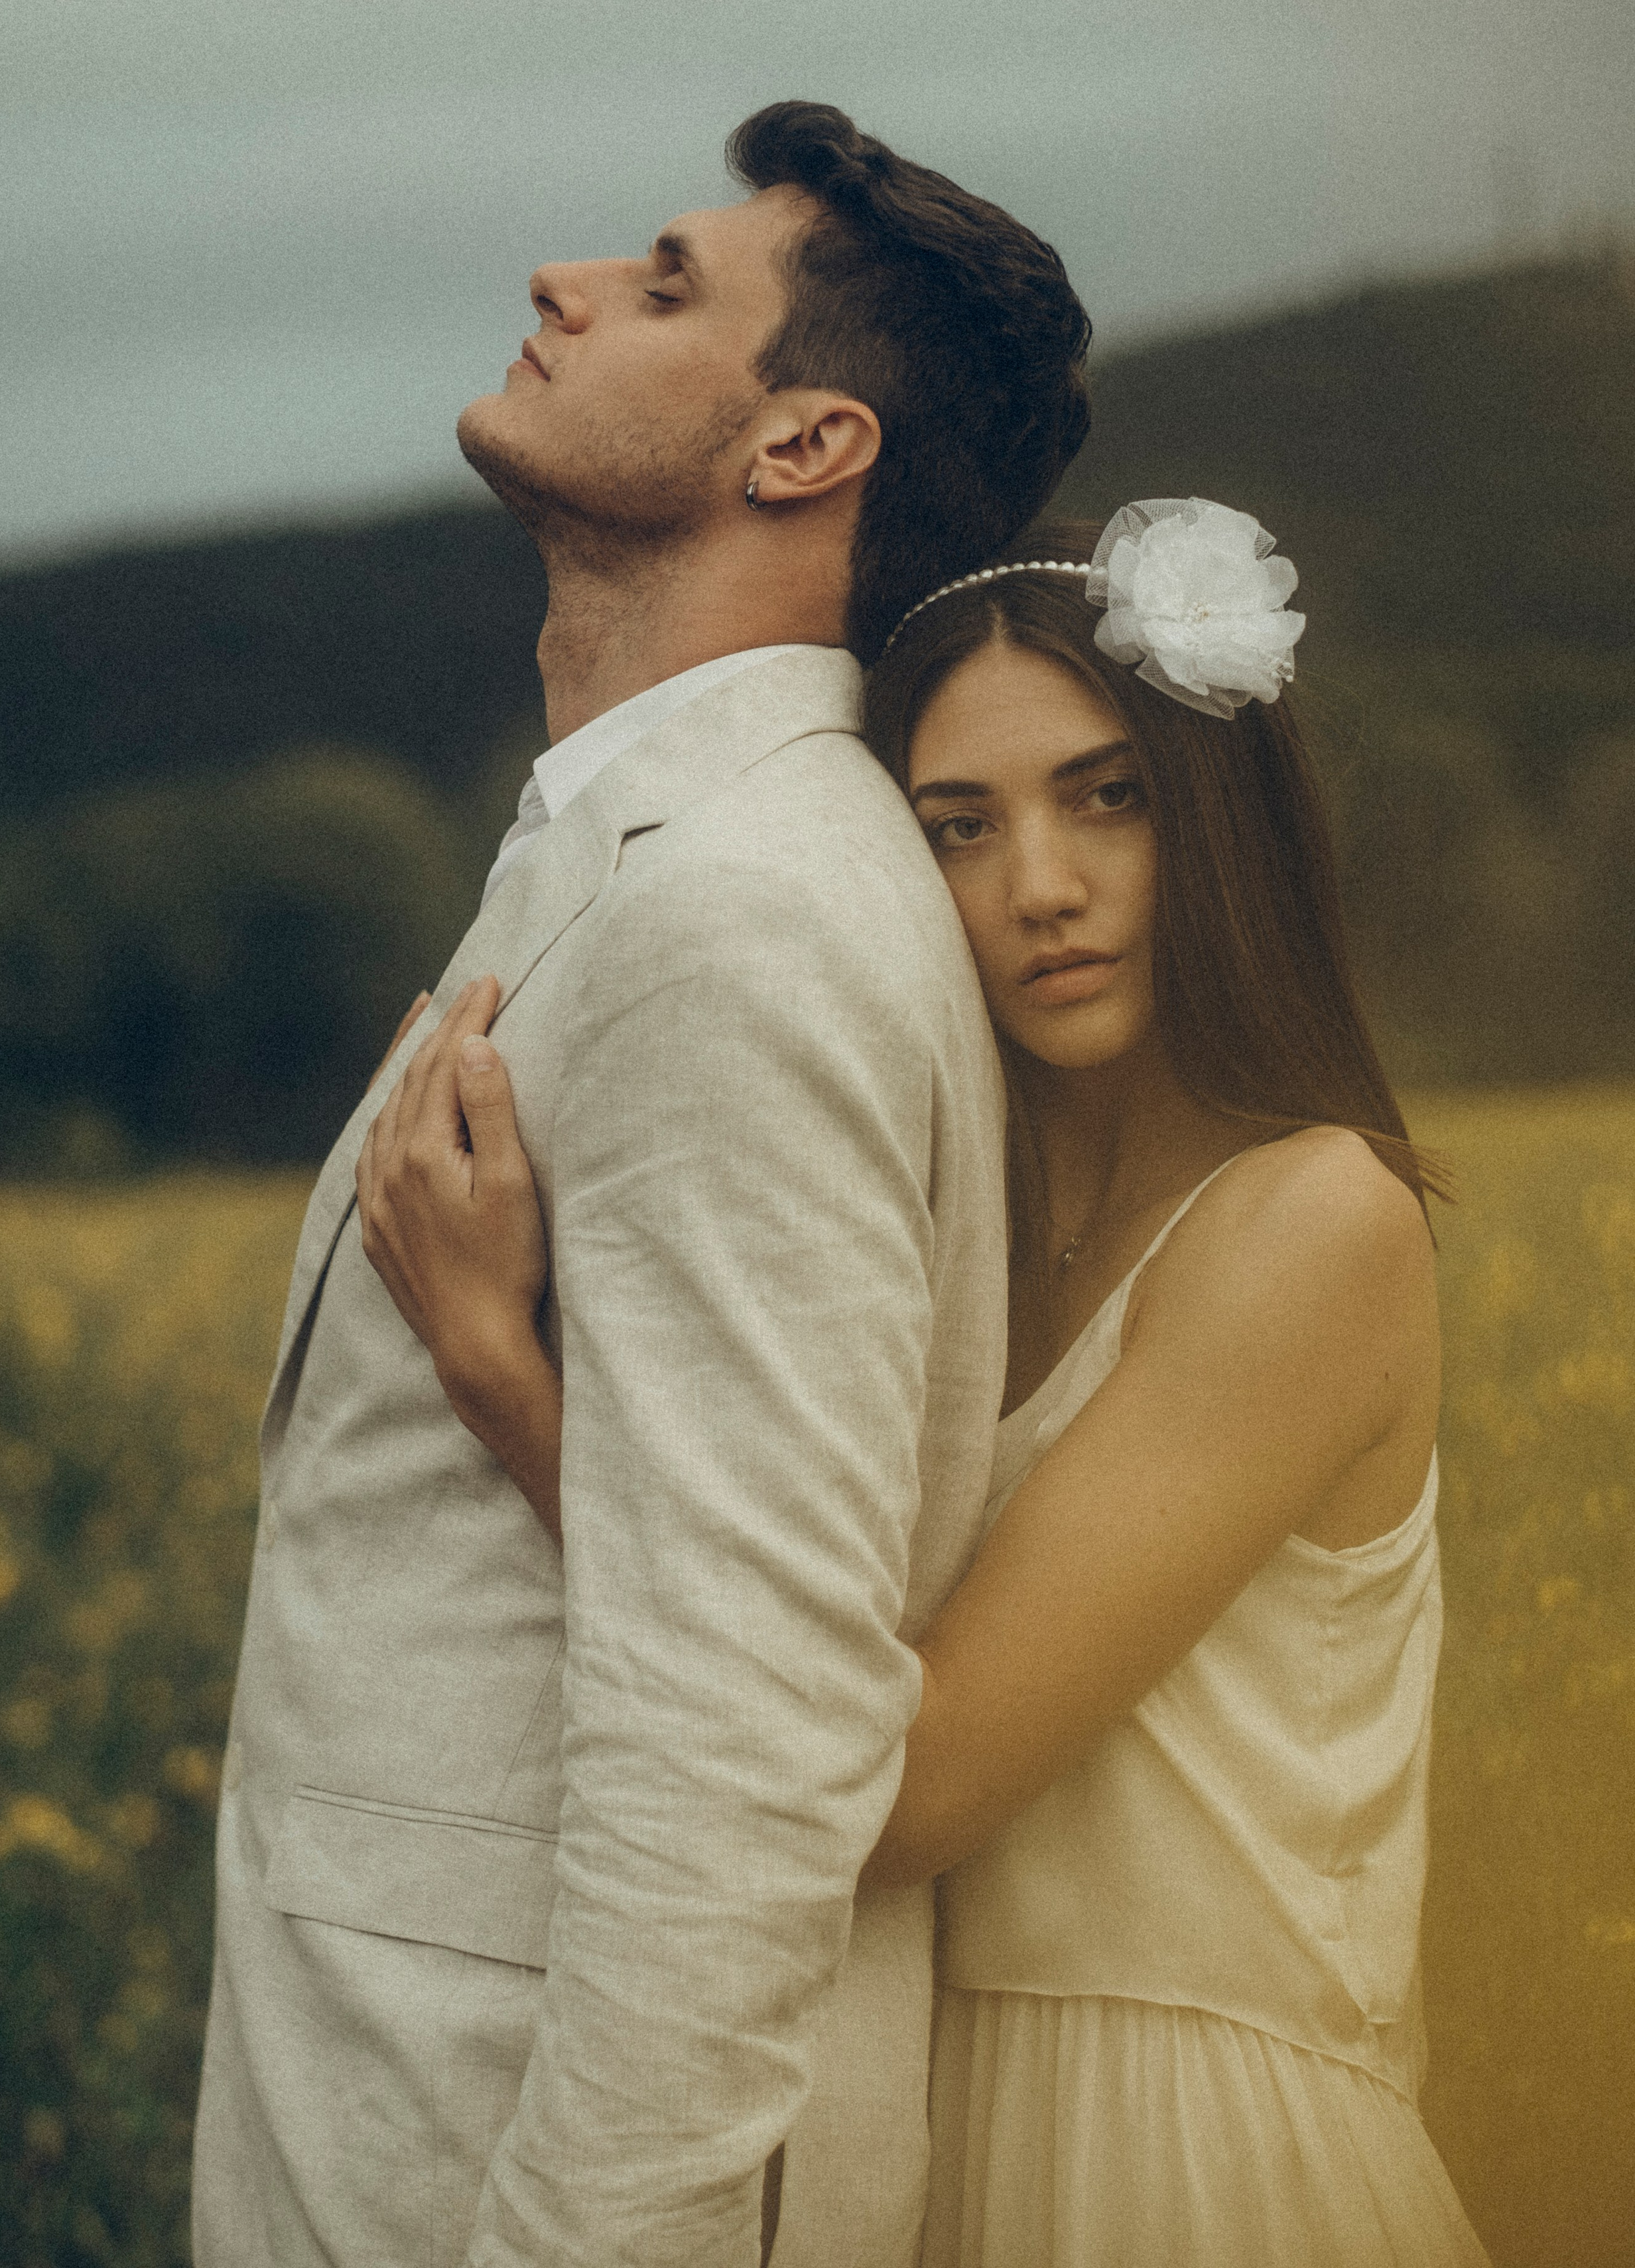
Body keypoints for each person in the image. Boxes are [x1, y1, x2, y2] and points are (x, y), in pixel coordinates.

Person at [361, 498, 1490, 2265]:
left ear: (1220, 821)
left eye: (1105, 796)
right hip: (915, 2126)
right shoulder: (962, 1230)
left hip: (1200, 2164)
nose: (1038, 885)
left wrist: (507, 1382)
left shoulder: (1311, 1222)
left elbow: (915, 1786)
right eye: (957, 830)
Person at [190, 101, 1091, 2268]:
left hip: (505, 2178)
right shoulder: (636, 859)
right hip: (378, 2108)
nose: (563, 282)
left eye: (668, 282)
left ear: (805, 449)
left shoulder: (746, 918)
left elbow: (751, 1755)